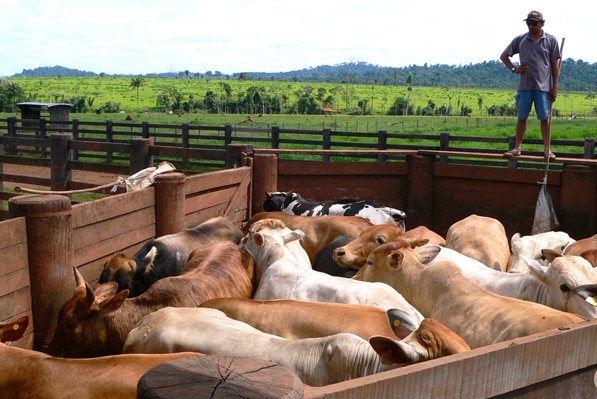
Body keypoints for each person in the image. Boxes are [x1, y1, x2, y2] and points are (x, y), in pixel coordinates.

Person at [500, 10, 561, 160]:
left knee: (545, 119)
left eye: (534, 23)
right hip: (525, 86)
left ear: (542, 24)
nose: (531, 26)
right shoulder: (520, 40)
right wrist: (515, 69)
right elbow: (504, 56)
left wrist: (555, 87)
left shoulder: (551, 40)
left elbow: (555, 65)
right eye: (528, 23)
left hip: (543, 87)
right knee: (522, 117)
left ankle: (547, 150)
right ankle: (517, 148)